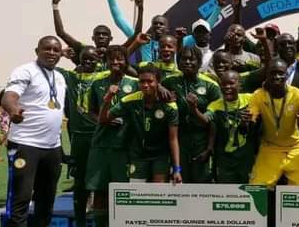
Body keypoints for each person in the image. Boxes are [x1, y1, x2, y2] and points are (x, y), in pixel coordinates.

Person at [3, 35, 68, 227]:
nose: (51, 52)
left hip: (51, 147)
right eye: (47, 48)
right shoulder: (26, 71)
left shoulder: (59, 77)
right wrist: (13, 109)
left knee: (47, 195)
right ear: (37, 50)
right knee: (20, 196)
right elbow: (9, 95)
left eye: (56, 49)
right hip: (25, 145)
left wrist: (60, 147)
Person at [81, 45, 138, 227]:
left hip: (125, 146)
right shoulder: (97, 84)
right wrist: (104, 120)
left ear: (126, 61)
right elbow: (91, 112)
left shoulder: (135, 84)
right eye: (112, 60)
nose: (116, 63)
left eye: (120, 59)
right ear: (106, 62)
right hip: (102, 144)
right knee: (100, 190)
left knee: (122, 193)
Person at [56, 46, 105, 227]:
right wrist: (60, 54)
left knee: (102, 183)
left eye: (92, 59)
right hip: (79, 139)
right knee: (80, 184)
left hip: (101, 137)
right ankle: (80, 226)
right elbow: (52, 67)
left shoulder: (104, 76)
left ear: (99, 60)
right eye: (85, 58)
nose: (88, 62)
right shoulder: (71, 77)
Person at [100, 65, 181, 184]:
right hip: (138, 155)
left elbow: (173, 139)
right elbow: (103, 120)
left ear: (158, 82)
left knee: (157, 193)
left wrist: (177, 169)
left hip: (160, 156)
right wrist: (107, 99)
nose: (145, 85)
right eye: (142, 81)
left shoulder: (170, 107)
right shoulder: (130, 101)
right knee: (136, 194)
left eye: (150, 81)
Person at [247, 58, 299, 187]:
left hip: (294, 147)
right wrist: (247, 122)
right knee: (256, 189)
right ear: (267, 75)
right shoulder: (258, 95)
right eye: (273, 73)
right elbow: (252, 119)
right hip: (270, 148)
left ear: (287, 74)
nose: (277, 77)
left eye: (280, 73)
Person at [162, 46, 221, 183]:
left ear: (199, 63)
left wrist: (210, 148)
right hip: (179, 139)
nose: (187, 62)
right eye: (184, 59)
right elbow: (154, 85)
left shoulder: (211, 85)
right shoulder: (170, 82)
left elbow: (215, 121)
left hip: (202, 140)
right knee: (181, 181)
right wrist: (161, 88)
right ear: (178, 62)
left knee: (201, 182)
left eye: (191, 59)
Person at [52, 0, 141, 67]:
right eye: (98, 34)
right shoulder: (84, 50)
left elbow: (136, 35)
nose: (101, 36)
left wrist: (140, 9)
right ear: (93, 38)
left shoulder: (117, 52)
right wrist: (55, 5)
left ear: (111, 38)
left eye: (104, 34)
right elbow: (61, 33)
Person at [199, 71, 256, 184]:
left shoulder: (251, 99)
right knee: (227, 192)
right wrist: (194, 109)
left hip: (246, 158)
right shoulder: (215, 105)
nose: (227, 87)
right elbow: (206, 119)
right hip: (224, 159)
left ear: (239, 85)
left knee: (248, 191)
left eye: (231, 83)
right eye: (224, 84)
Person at [103, 0, 168, 62]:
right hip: (147, 74)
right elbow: (119, 20)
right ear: (151, 27)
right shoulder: (145, 42)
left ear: (167, 28)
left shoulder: (174, 43)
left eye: (161, 24)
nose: (158, 26)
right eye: (155, 23)